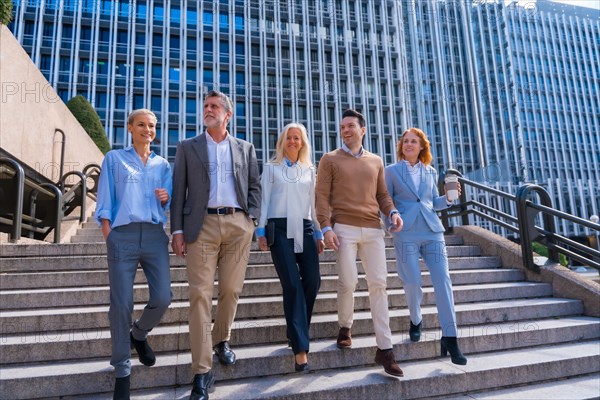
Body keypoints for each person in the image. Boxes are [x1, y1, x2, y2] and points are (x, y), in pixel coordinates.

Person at [170, 90, 261, 400]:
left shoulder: (245, 148)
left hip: (238, 225)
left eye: (214, 106)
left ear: (227, 114)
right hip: (201, 226)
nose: (207, 110)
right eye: (205, 106)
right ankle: (202, 370)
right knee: (198, 295)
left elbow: (254, 187)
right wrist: (177, 231)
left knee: (232, 290)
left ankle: (222, 339)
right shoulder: (187, 147)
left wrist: (252, 220)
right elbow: (178, 190)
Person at [315, 109, 404, 377]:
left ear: (362, 130)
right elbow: (321, 196)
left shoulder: (375, 161)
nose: (346, 130)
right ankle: (345, 326)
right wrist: (325, 226)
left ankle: (385, 350)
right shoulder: (329, 159)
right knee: (349, 282)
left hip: (373, 229)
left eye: (351, 126)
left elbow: (382, 195)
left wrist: (393, 212)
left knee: (379, 284)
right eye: (342, 126)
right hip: (343, 228)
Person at [95, 109, 173, 400]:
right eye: (141, 124)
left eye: (152, 125)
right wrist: (110, 237)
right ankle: (122, 372)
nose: (147, 129)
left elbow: (168, 202)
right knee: (121, 305)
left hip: (154, 235)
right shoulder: (114, 159)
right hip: (123, 235)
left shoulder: (163, 164)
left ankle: (138, 334)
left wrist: (168, 197)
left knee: (164, 297)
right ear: (130, 127)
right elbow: (105, 202)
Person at [384, 127, 467, 365]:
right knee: (412, 282)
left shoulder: (431, 172)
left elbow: (432, 202)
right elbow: (385, 201)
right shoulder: (391, 171)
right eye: (405, 141)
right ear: (401, 146)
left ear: (422, 147)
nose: (408, 144)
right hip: (405, 232)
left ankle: (450, 338)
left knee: (443, 281)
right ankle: (416, 318)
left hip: (432, 232)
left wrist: (449, 199)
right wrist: (391, 222)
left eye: (414, 141)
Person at [256, 123, 324, 372]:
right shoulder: (271, 168)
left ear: (303, 142)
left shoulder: (309, 169)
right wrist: (260, 231)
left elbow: (313, 205)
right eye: (289, 138)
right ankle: (300, 349)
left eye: (297, 138)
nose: (293, 141)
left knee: (313, 281)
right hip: (279, 228)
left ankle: (295, 330)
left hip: (304, 227)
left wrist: (318, 232)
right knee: (292, 284)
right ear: (282, 142)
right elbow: (263, 201)